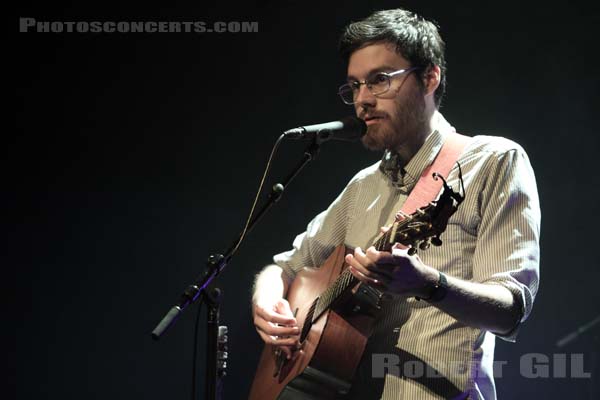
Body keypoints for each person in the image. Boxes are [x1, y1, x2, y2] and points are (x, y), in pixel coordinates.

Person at [251, 8, 540, 399]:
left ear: (429, 77)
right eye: (354, 86)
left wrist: (428, 284)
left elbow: (510, 311)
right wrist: (267, 304)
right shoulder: (363, 186)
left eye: (379, 80)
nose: (362, 100)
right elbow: (284, 268)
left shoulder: (493, 161)